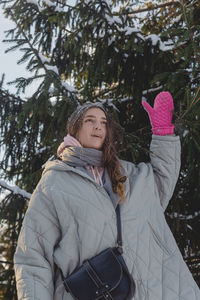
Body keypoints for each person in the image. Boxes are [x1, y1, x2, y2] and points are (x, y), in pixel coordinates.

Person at [14, 92, 200, 300]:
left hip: (158, 289)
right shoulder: (54, 184)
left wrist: (163, 133)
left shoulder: (127, 174)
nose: (98, 126)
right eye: (89, 120)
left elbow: (162, 183)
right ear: (74, 129)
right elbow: (33, 257)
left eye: (103, 121)